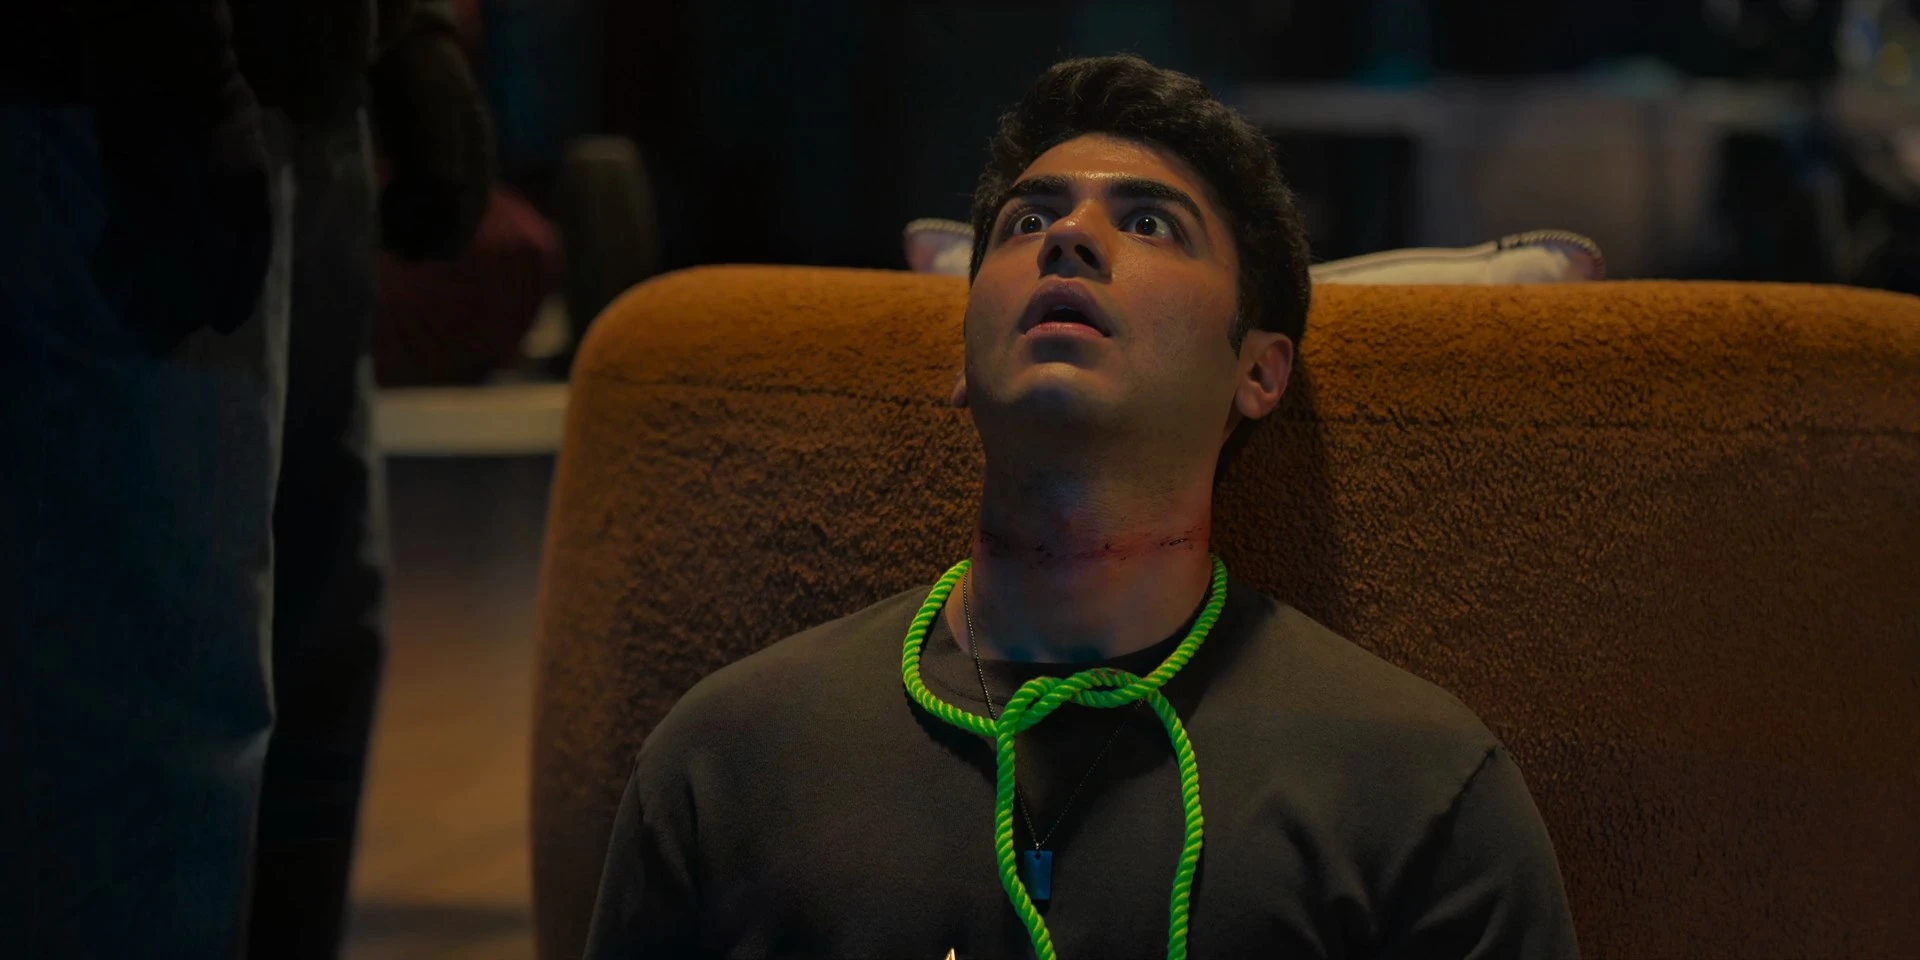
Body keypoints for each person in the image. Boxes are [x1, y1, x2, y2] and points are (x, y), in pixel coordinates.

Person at [581, 55, 1579, 959]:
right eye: (1027, 221)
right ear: (963, 357)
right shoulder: (729, 760)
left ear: (1259, 372)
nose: (1067, 236)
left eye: (1149, 223)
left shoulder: (1418, 792)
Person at [0, 2, 488, 956]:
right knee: (153, 752)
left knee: (307, 700)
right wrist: (163, 63)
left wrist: (409, 31)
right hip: (120, 97)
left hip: (311, 94)